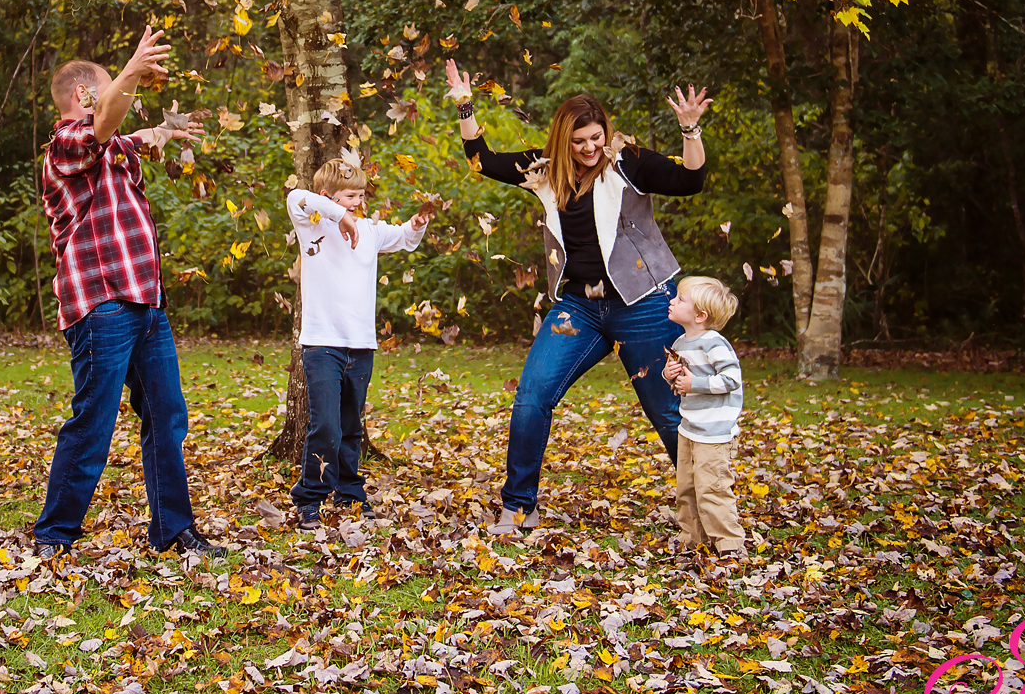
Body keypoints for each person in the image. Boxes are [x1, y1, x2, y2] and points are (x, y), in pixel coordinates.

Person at [443, 59, 711, 536]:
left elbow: (691, 180)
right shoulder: (544, 172)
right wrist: (465, 104)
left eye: (597, 137)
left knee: (666, 409)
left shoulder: (629, 163)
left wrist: (690, 129)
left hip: (644, 304)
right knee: (532, 395)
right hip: (579, 308)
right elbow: (481, 160)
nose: (590, 148)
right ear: (563, 141)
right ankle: (519, 508)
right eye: (579, 141)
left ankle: (703, 512)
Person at [31, 27, 222, 559]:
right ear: (80, 98)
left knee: (167, 416)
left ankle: (173, 530)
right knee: (94, 419)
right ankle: (54, 535)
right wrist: (133, 68)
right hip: (101, 305)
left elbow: (135, 135)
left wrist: (166, 129)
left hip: (145, 302)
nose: (120, 94)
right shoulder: (64, 146)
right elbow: (105, 125)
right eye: (109, 87)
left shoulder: (114, 144)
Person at [285, 159, 433, 530]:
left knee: (351, 426)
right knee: (326, 427)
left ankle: (350, 492)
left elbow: (404, 240)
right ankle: (309, 497)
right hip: (322, 344)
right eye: (349, 196)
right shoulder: (311, 224)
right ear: (328, 197)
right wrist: (340, 216)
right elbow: (296, 197)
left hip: (361, 346)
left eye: (360, 196)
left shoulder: (369, 230)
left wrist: (416, 226)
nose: (357, 202)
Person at [659, 276, 746, 556]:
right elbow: (680, 383)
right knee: (686, 487)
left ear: (700, 315)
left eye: (680, 299)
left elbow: (732, 379)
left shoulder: (714, 343)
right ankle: (692, 538)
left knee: (712, 488)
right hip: (689, 429)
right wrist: (668, 375)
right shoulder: (681, 342)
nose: (672, 300)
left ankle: (729, 543)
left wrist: (695, 384)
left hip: (714, 433)